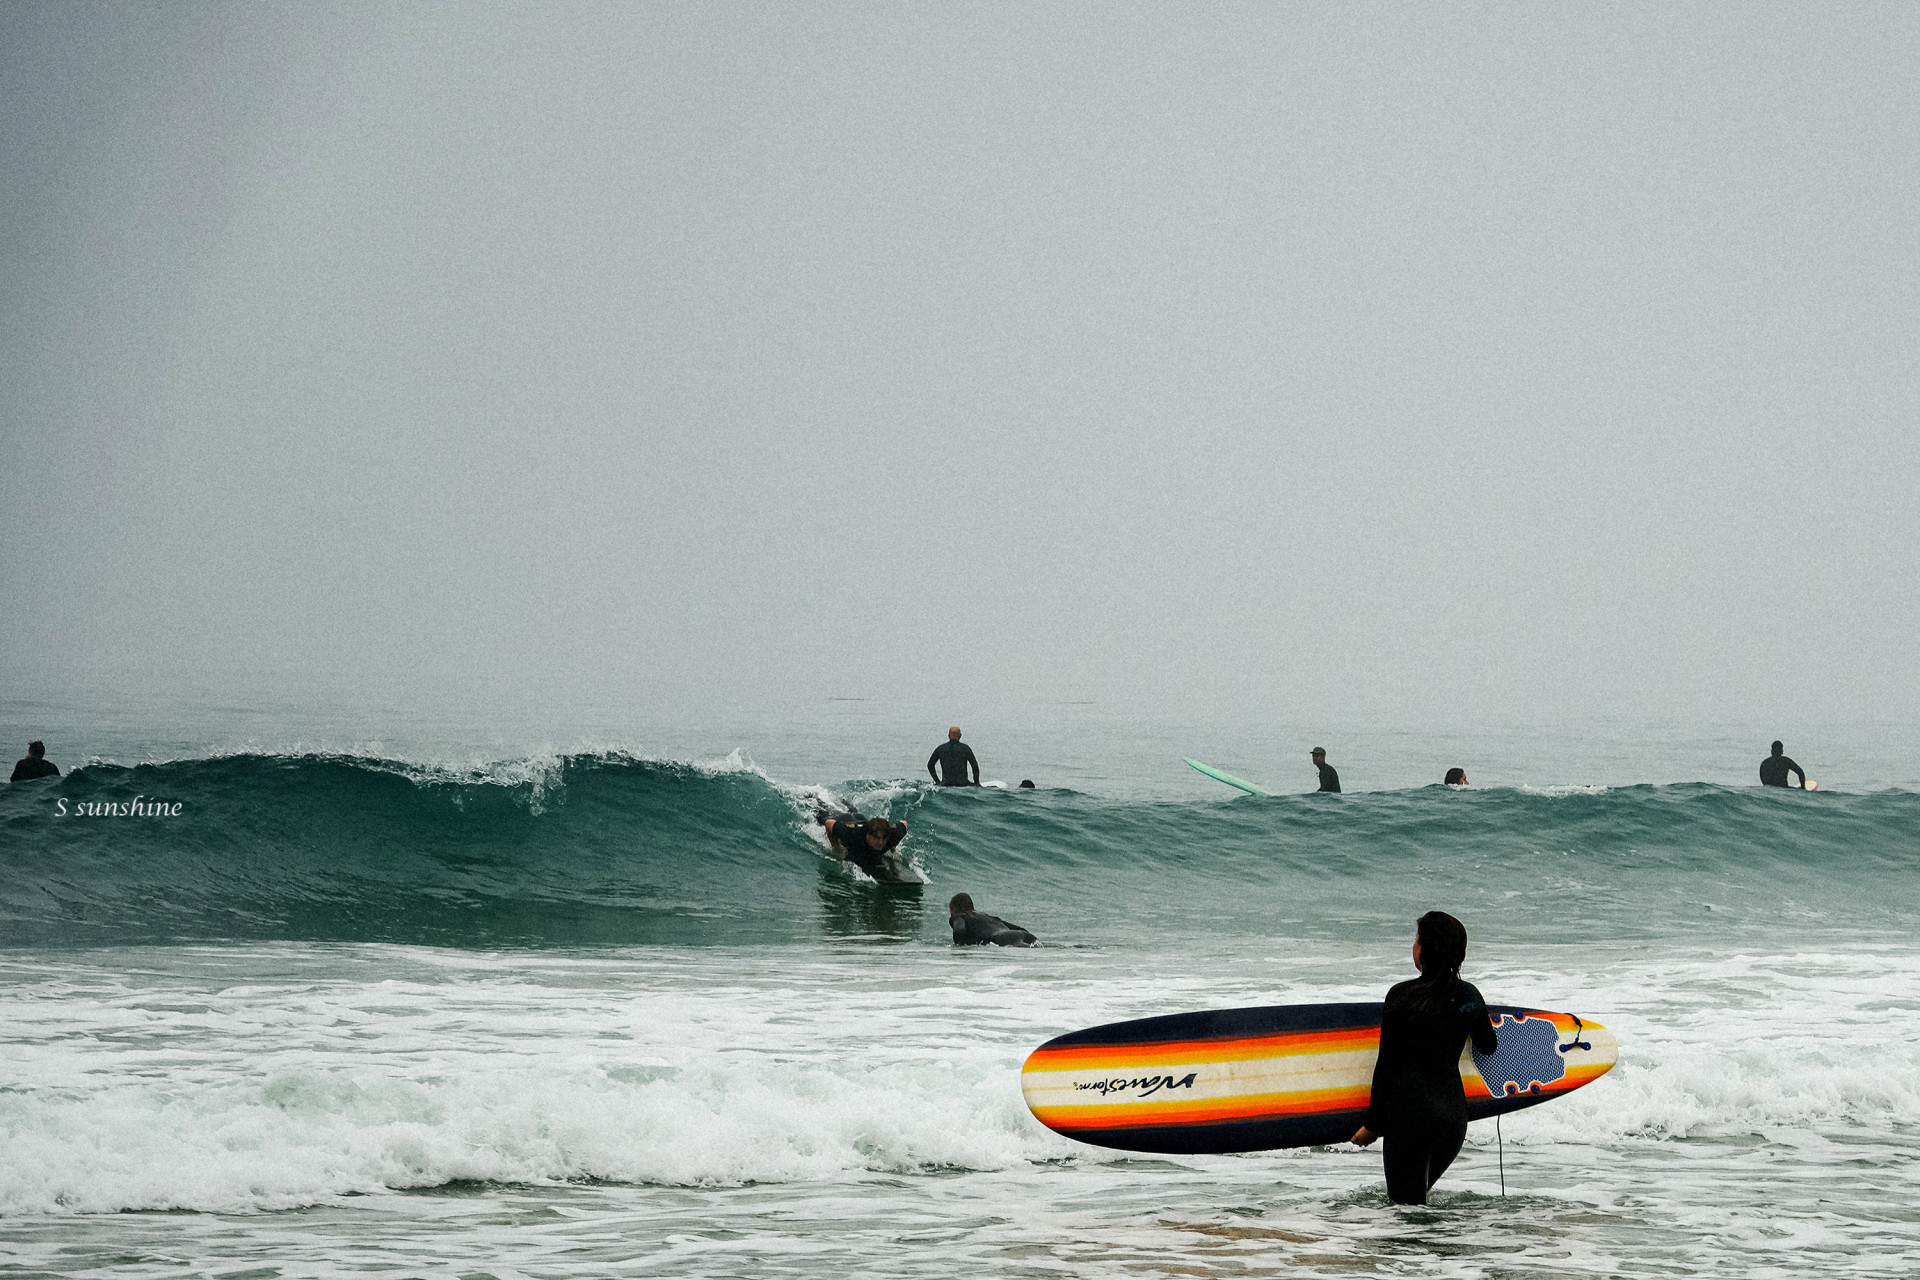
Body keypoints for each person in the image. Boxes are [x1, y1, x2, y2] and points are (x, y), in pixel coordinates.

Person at [1351, 911, 1499, 1205]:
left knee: (1407, 1211)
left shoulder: (1401, 996)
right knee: (1416, 1205)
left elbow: (1387, 1064)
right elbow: (1488, 1046)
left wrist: (1372, 1125)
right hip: (1452, 1121)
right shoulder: (1470, 996)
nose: (1413, 945)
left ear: (1424, 949)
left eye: (1416, 939)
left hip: (1410, 1119)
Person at [821, 812, 910, 880]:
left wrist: (892, 847)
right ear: (868, 835)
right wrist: (836, 847)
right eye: (876, 838)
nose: (880, 842)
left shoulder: (891, 836)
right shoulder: (853, 834)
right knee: (822, 813)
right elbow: (829, 823)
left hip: (860, 818)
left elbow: (904, 823)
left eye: (884, 838)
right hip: (844, 819)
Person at [947, 893, 1037, 946]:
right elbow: (1018, 928)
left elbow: (959, 930)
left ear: (954, 909)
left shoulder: (960, 916)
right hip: (1023, 935)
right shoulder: (985, 916)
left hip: (1003, 939)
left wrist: (959, 947)